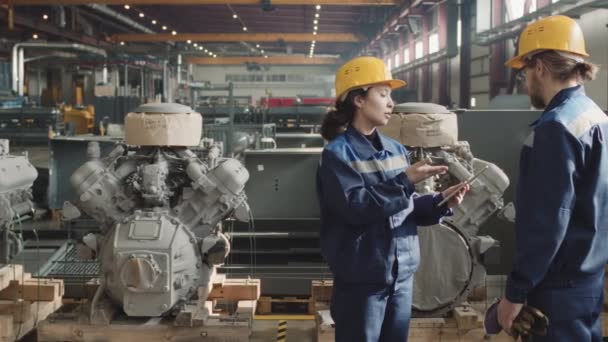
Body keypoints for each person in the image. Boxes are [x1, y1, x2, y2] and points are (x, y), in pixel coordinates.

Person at [316, 56, 469, 342]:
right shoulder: (338, 155)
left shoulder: (396, 149)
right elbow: (355, 209)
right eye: (383, 94)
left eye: (391, 95)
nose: (391, 103)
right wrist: (405, 181)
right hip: (362, 279)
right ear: (358, 100)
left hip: (401, 276)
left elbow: (404, 208)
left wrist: (439, 203)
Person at [496, 15, 608, 341]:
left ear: (540, 67)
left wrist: (515, 293)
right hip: (588, 282)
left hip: (557, 289)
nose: (524, 81)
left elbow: (549, 221)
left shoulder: (555, 127)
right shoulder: (597, 118)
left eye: (525, 71)